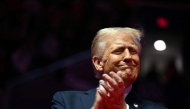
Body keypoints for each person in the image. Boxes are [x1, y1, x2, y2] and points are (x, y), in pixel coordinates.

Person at [51, 27, 167, 109]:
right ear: (98, 63)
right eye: (118, 50)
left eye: (133, 51)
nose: (128, 57)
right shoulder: (66, 102)